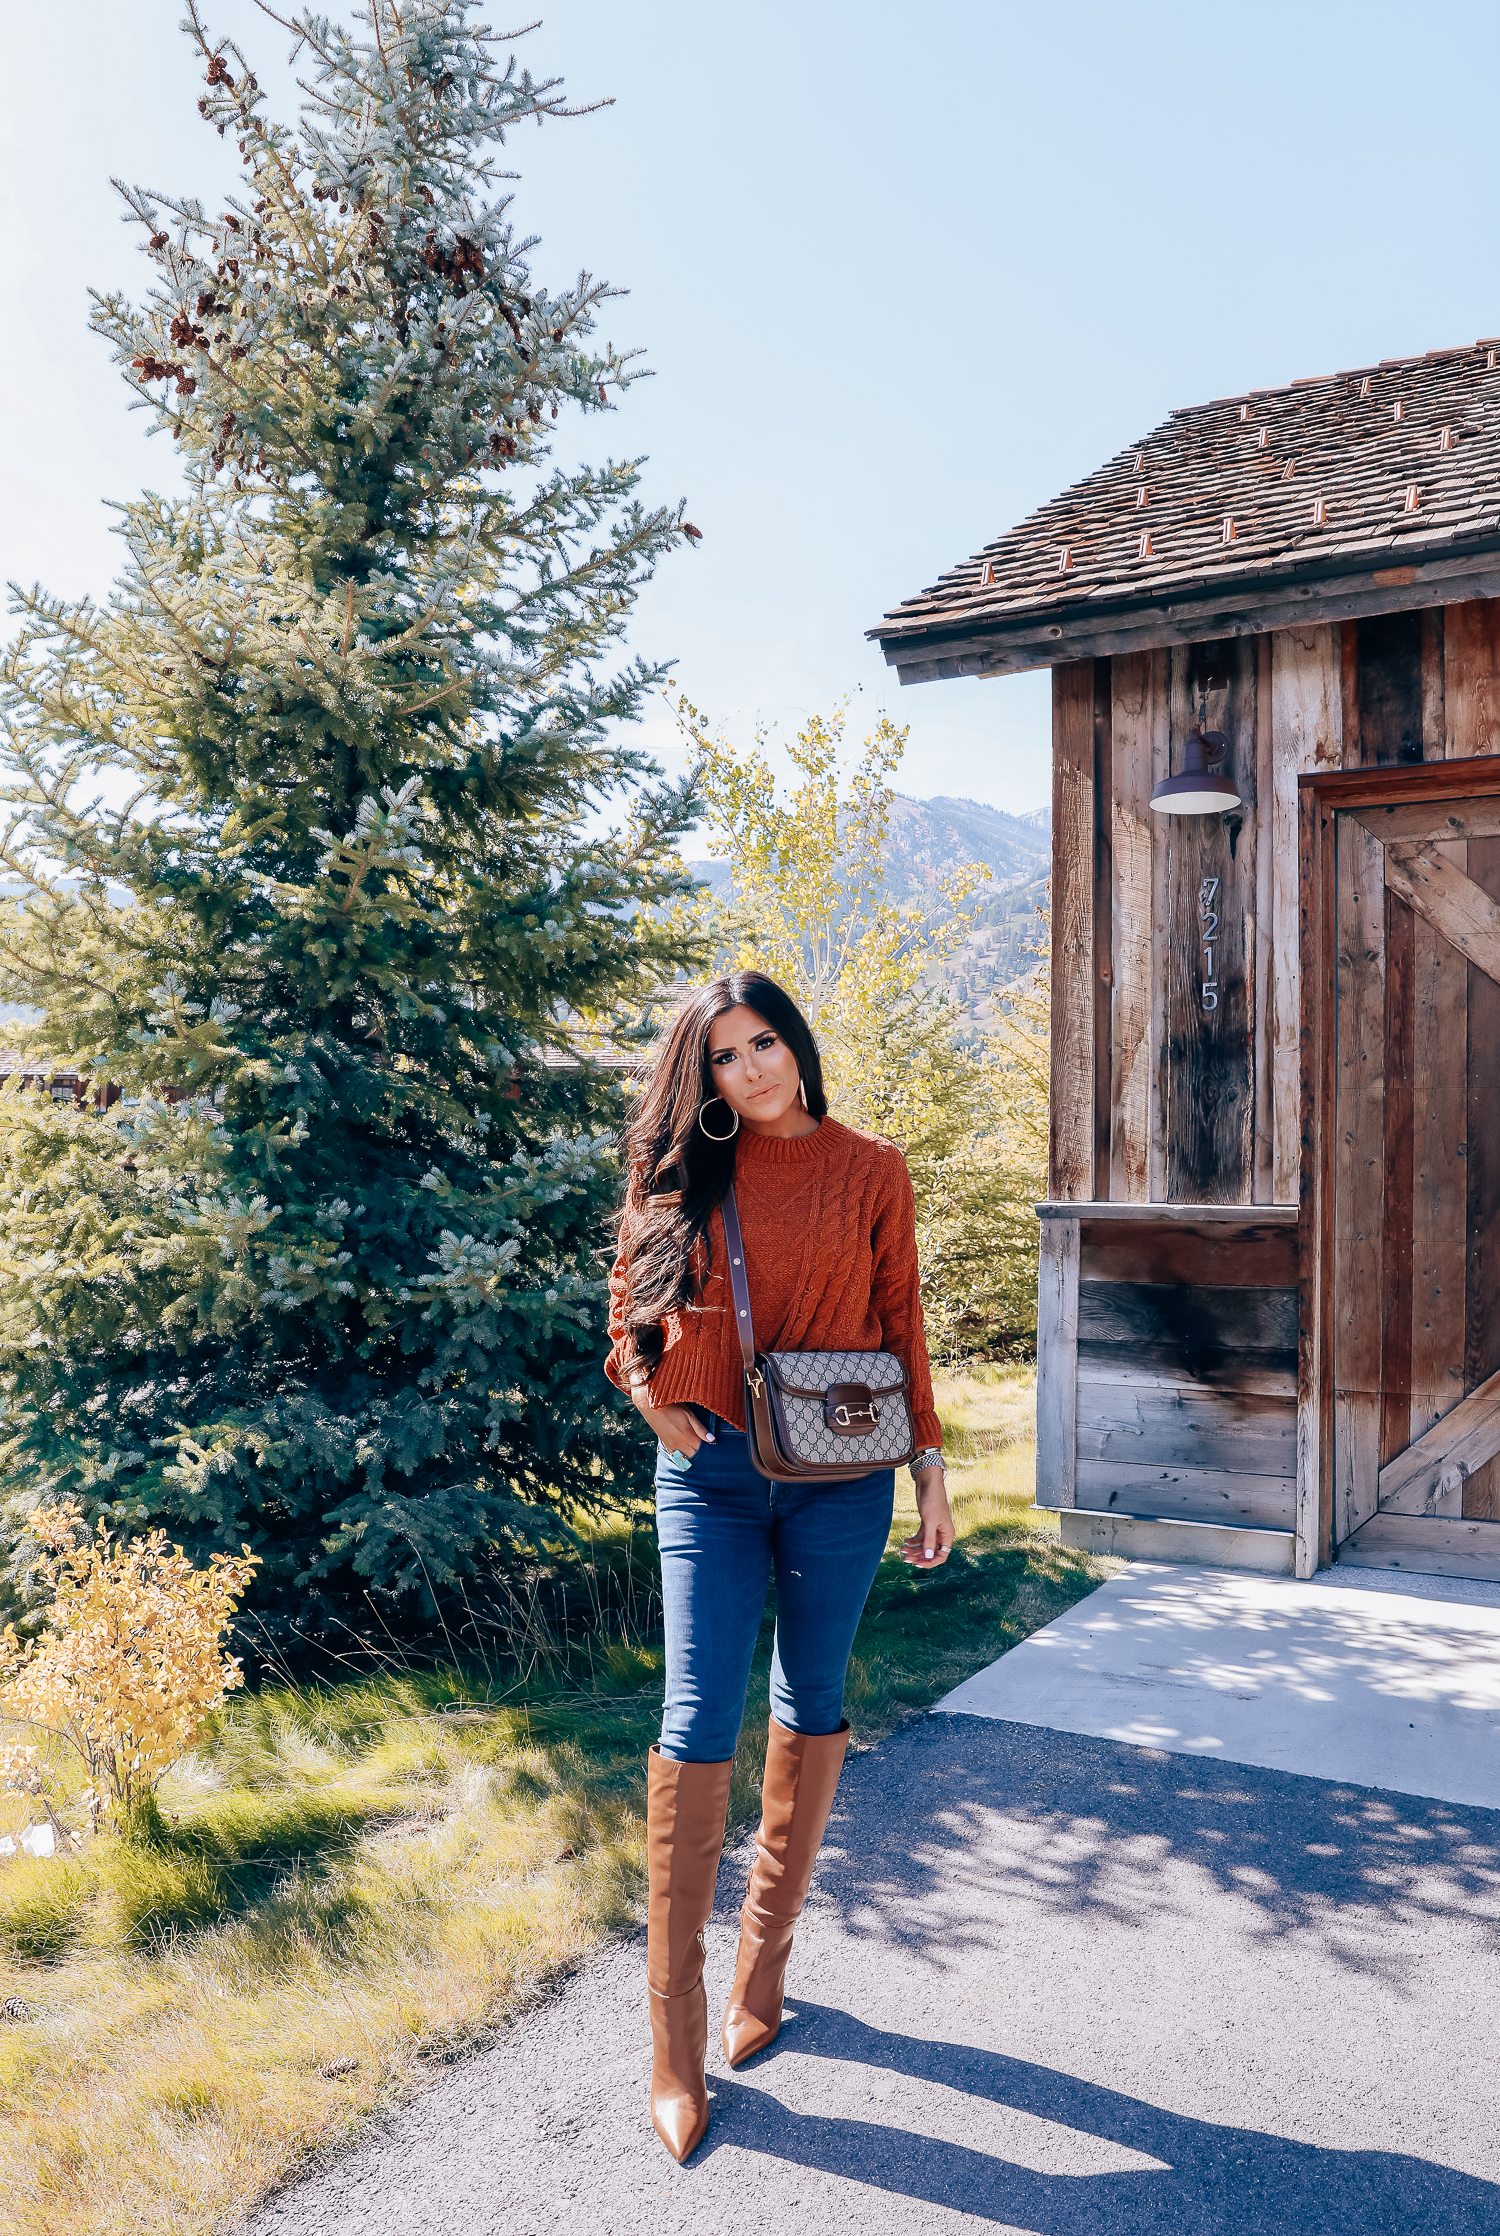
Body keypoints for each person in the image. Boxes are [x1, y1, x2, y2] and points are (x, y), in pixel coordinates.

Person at [605, 969, 953, 2163]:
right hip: (708, 1478)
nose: (749, 1069)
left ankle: (765, 1968)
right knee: (696, 1721)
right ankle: (673, 2041)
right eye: (723, 1057)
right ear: (699, 1074)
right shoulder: (680, 1169)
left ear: (796, 1043)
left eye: (764, 1043)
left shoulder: (872, 1165)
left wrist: (932, 1469)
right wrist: (657, 1405)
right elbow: (628, 1314)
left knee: (814, 1705)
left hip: (840, 1478)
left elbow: (901, 1316)